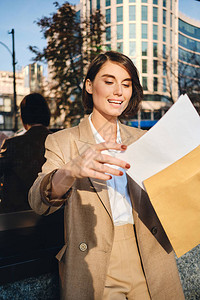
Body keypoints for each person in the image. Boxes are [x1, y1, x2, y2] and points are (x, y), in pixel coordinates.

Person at [28, 52, 184, 300]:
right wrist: (70, 171)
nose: (119, 92)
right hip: (95, 260)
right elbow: (37, 201)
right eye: (109, 81)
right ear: (89, 85)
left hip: (149, 253)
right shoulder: (62, 141)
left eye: (126, 84)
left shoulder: (143, 139)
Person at [0, 93, 51, 213]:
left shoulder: (12, 144)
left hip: (15, 217)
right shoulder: (60, 141)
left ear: (23, 116)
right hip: (53, 214)